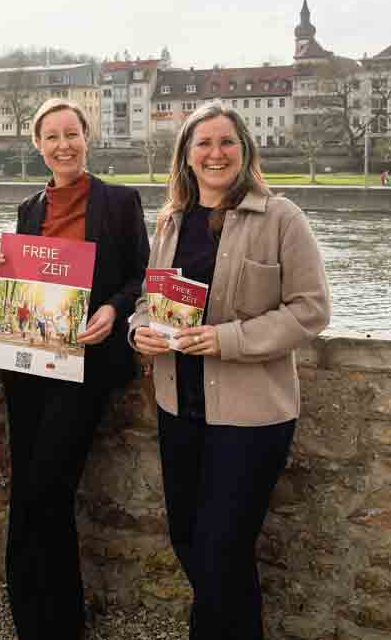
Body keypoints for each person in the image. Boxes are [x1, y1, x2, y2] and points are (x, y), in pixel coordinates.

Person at [130, 102, 331, 640]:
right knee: (188, 539)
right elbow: (152, 302)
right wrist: (139, 330)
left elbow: (311, 310)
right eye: (204, 144)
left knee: (222, 550)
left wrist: (228, 340)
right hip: (180, 407)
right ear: (187, 156)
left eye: (226, 143)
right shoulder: (171, 220)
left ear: (245, 151)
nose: (215, 153)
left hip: (250, 417)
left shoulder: (282, 217)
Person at [0, 98, 150, 640]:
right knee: (29, 487)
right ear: (38, 146)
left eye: (71, 134)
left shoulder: (121, 202)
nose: (63, 145)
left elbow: (141, 279)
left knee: (48, 487)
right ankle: (32, 613)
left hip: (85, 364)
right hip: (29, 363)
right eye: (51, 136)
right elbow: (25, 285)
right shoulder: (30, 208)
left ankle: (60, 619)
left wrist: (112, 308)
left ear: (86, 137)